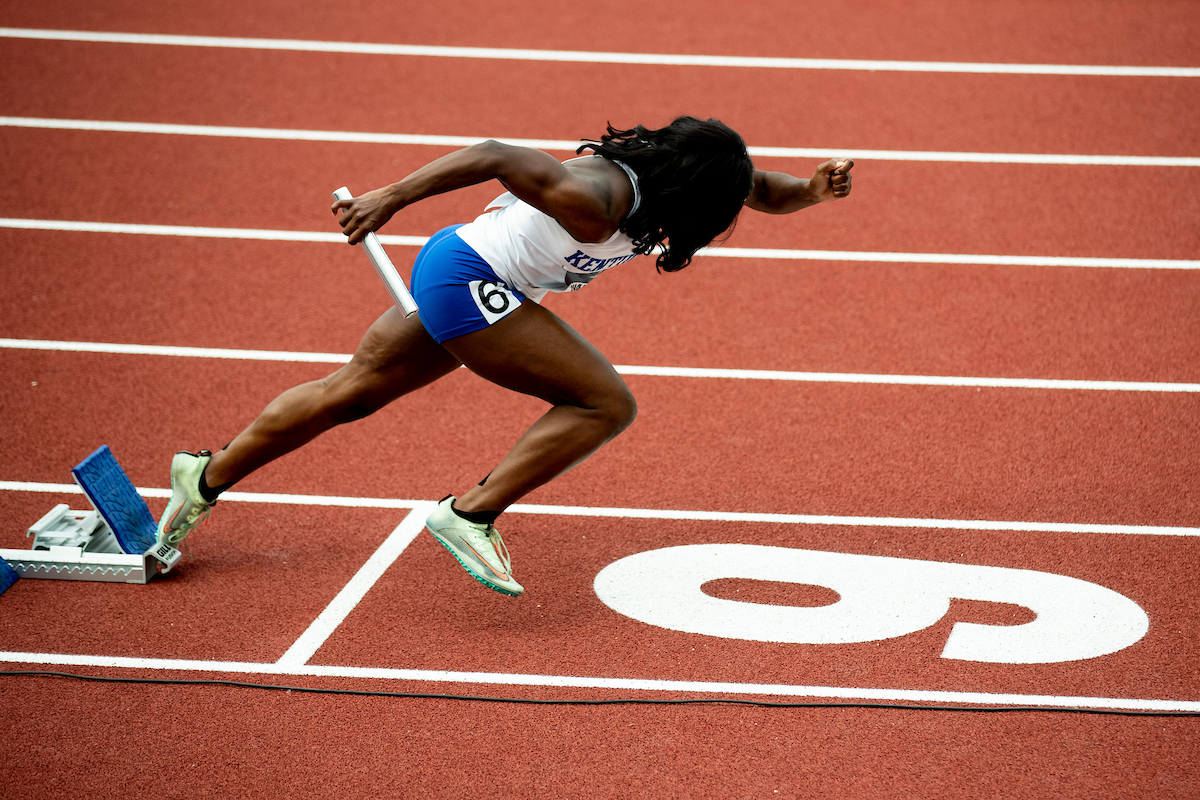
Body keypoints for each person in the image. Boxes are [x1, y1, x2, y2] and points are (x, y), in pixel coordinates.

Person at [155, 116, 853, 597]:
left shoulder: (684, 179)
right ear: (689, 195)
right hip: (469, 281)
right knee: (604, 403)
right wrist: (390, 196)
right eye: (716, 212)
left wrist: (818, 191)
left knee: (354, 391)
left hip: (474, 276)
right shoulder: (597, 200)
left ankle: (205, 476)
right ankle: (471, 513)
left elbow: (766, 190)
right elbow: (492, 151)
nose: (723, 220)